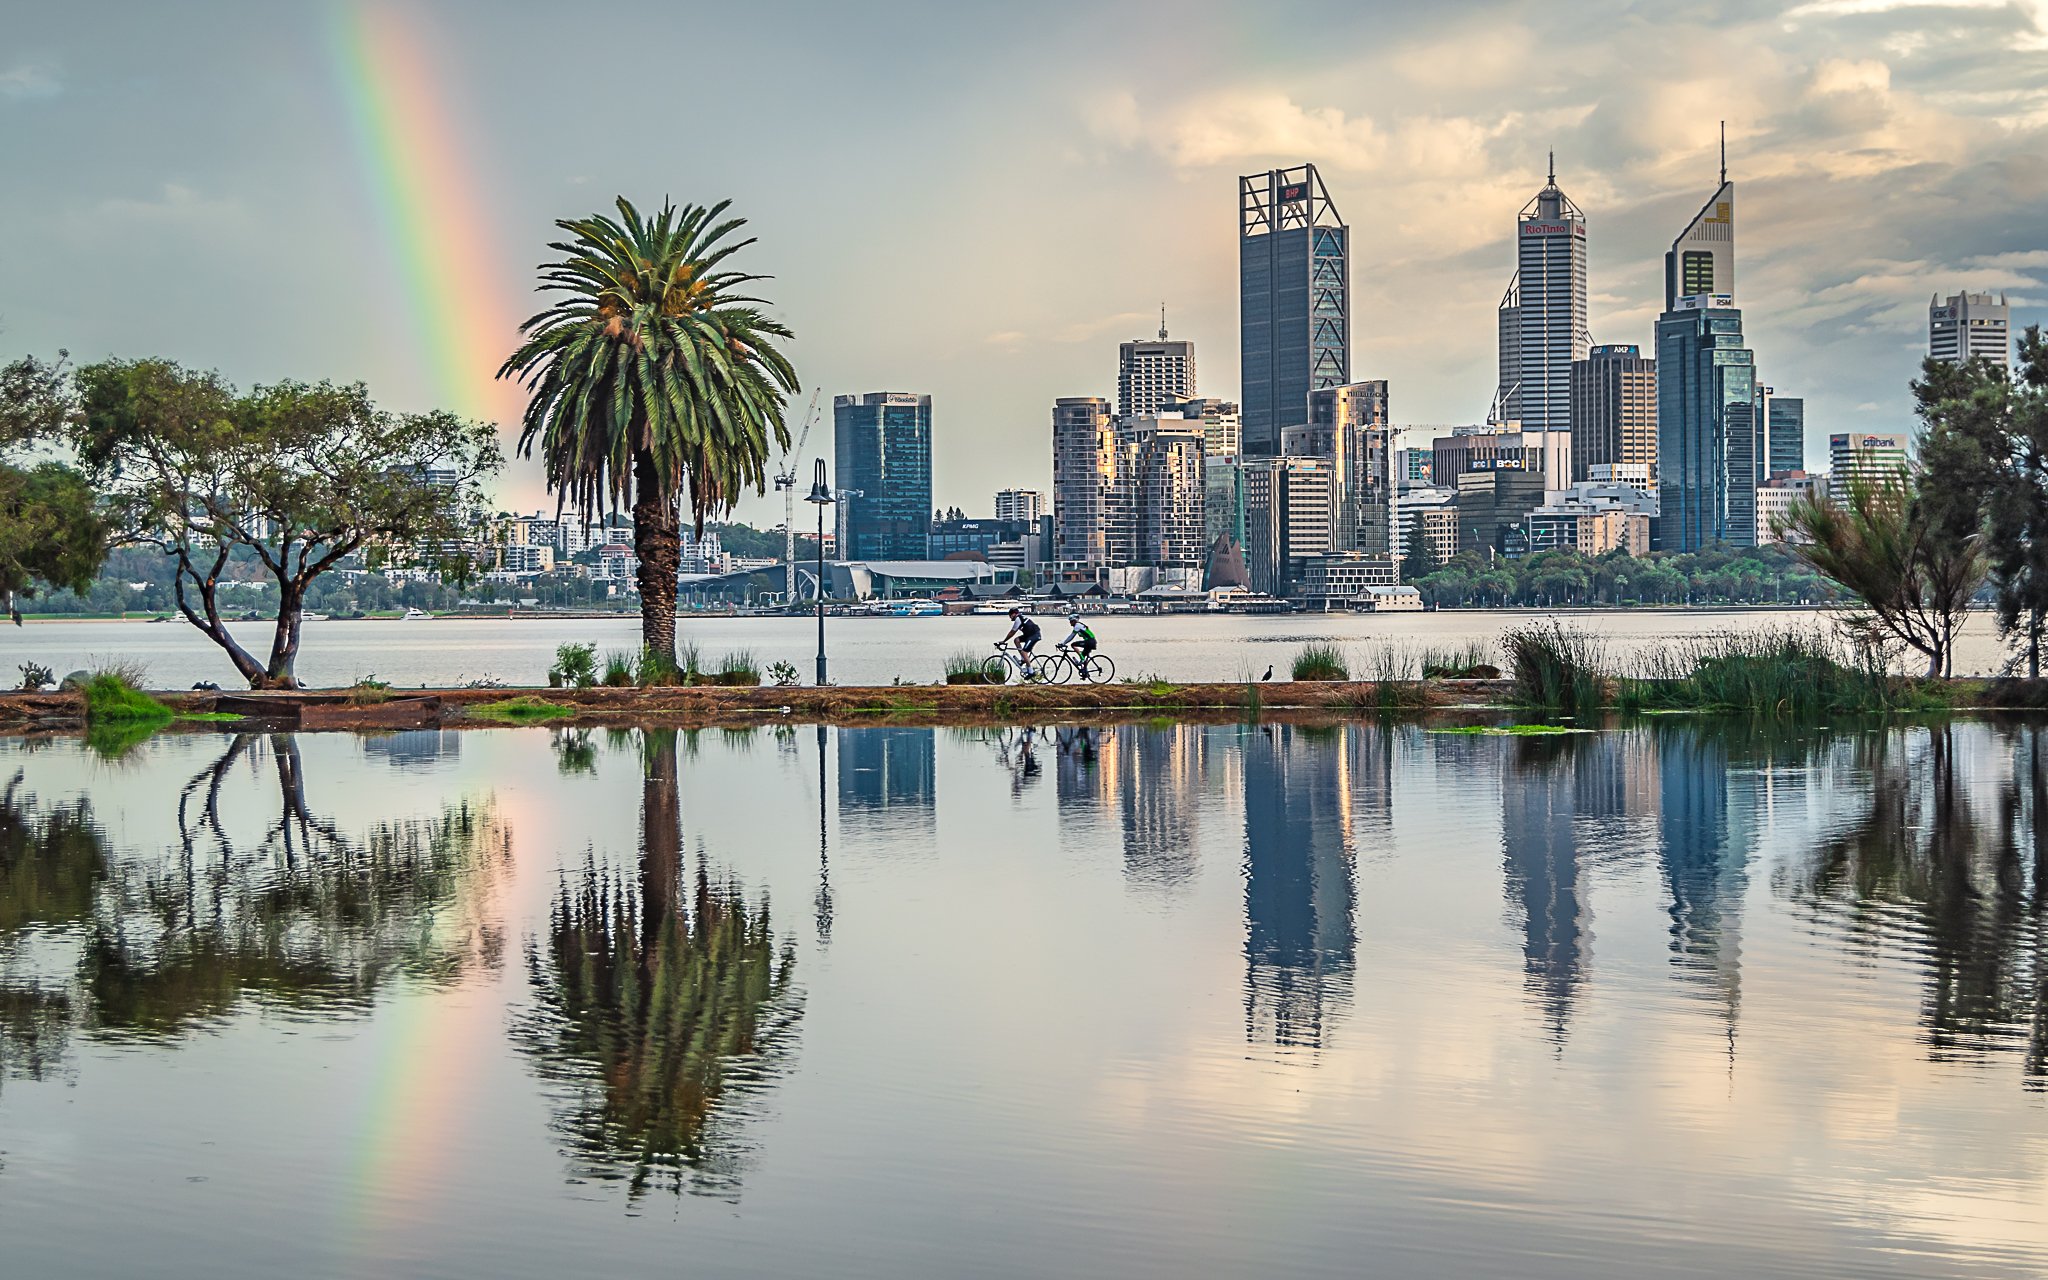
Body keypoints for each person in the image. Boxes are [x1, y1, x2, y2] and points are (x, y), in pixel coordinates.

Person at [1002, 607, 1042, 676]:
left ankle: (1030, 671)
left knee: (1024, 652)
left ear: (1014, 614)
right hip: (1029, 635)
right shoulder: (1020, 617)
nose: (1010, 617)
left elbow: (1012, 632)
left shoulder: (1018, 619)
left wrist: (1003, 641)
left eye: (1010, 615)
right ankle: (1023, 659)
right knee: (1016, 640)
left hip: (1034, 635)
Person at [1063, 611, 1098, 676]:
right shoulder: (1079, 625)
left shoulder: (1077, 626)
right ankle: (1085, 673)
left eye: (1071, 621)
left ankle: (1081, 660)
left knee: (1073, 645)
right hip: (1091, 641)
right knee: (1083, 655)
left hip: (1089, 642)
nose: (1070, 623)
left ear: (1074, 621)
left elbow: (1071, 636)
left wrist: (1063, 643)